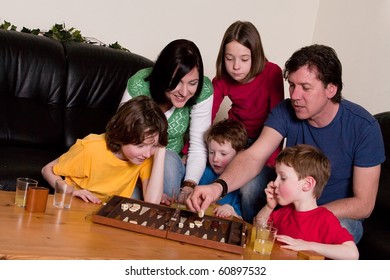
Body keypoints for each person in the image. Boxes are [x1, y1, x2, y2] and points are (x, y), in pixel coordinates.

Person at [188, 44, 385, 243]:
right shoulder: (286, 110)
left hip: (329, 213)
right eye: (292, 85)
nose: (295, 96)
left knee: (344, 228)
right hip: (287, 204)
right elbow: (253, 156)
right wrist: (217, 187)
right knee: (251, 183)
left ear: (331, 89)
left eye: (305, 88)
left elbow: (364, 204)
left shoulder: (364, 127)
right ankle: (252, 242)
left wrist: (308, 215)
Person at [120, 39, 213, 204]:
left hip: (168, 164)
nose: (184, 92)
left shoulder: (203, 90)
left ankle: (162, 221)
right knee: (130, 200)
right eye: (176, 82)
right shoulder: (139, 83)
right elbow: (122, 135)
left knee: (167, 159)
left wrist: (189, 186)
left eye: (192, 83)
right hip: (132, 160)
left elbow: (198, 146)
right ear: (163, 75)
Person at [212, 20, 284, 222]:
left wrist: (271, 162)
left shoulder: (272, 73)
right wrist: (189, 151)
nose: (236, 66)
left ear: (256, 55)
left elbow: (277, 120)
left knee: (251, 187)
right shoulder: (221, 80)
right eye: (229, 58)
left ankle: (247, 226)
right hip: (236, 138)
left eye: (244, 59)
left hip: (264, 141)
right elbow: (206, 116)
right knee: (211, 171)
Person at [41, 96, 168, 204]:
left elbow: (152, 202)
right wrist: (70, 190)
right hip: (76, 205)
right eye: (140, 146)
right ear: (122, 135)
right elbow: (47, 170)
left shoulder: (143, 157)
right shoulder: (91, 148)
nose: (147, 153)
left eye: (153, 146)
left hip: (104, 213)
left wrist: (161, 149)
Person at [256, 144, 359, 259]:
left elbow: (352, 254)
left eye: (283, 178)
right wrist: (269, 207)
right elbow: (259, 228)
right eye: (276, 176)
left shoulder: (324, 218)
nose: (275, 183)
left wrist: (307, 245)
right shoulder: (284, 212)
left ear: (307, 184)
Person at [199, 119, 247, 219]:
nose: (215, 159)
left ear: (239, 155)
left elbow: (242, 220)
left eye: (223, 154)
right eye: (211, 152)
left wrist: (230, 210)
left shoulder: (241, 181)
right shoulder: (205, 173)